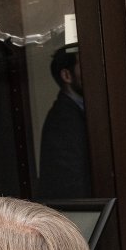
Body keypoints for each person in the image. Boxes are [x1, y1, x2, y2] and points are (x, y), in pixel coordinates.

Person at [36, 44, 90, 199]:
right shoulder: (63, 119)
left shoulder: (78, 110)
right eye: (83, 65)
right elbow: (70, 181)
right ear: (67, 75)